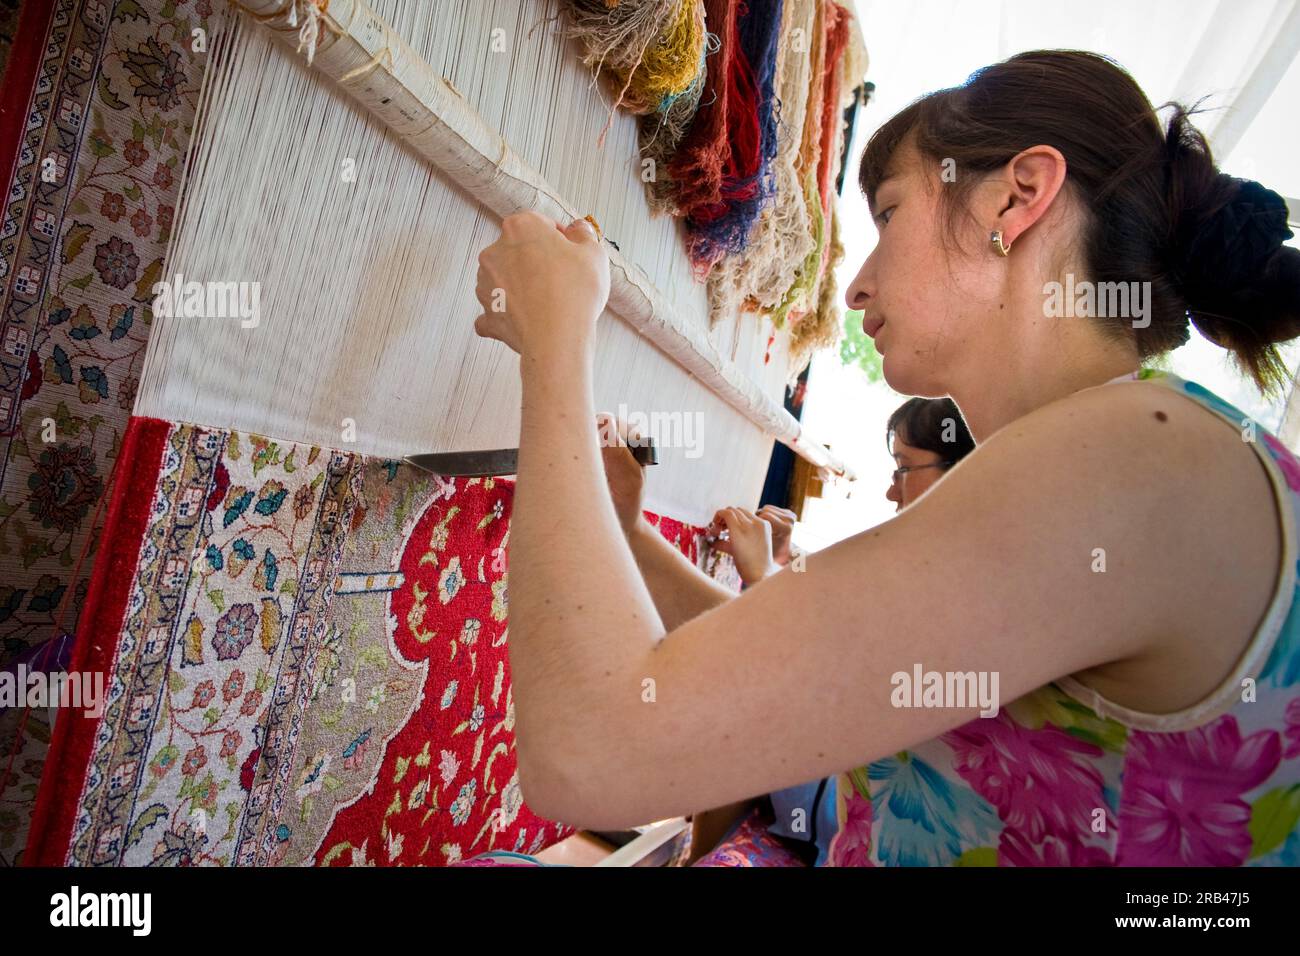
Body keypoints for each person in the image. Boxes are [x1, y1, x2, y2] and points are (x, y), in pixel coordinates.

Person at [469, 49, 1300, 866]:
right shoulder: (1135, 452)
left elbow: (589, 749)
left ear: (1016, 199)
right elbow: (799, 673)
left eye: (890, 214)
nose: (857, 286)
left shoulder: (1139, 461)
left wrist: (556, 338)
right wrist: (626, 533)